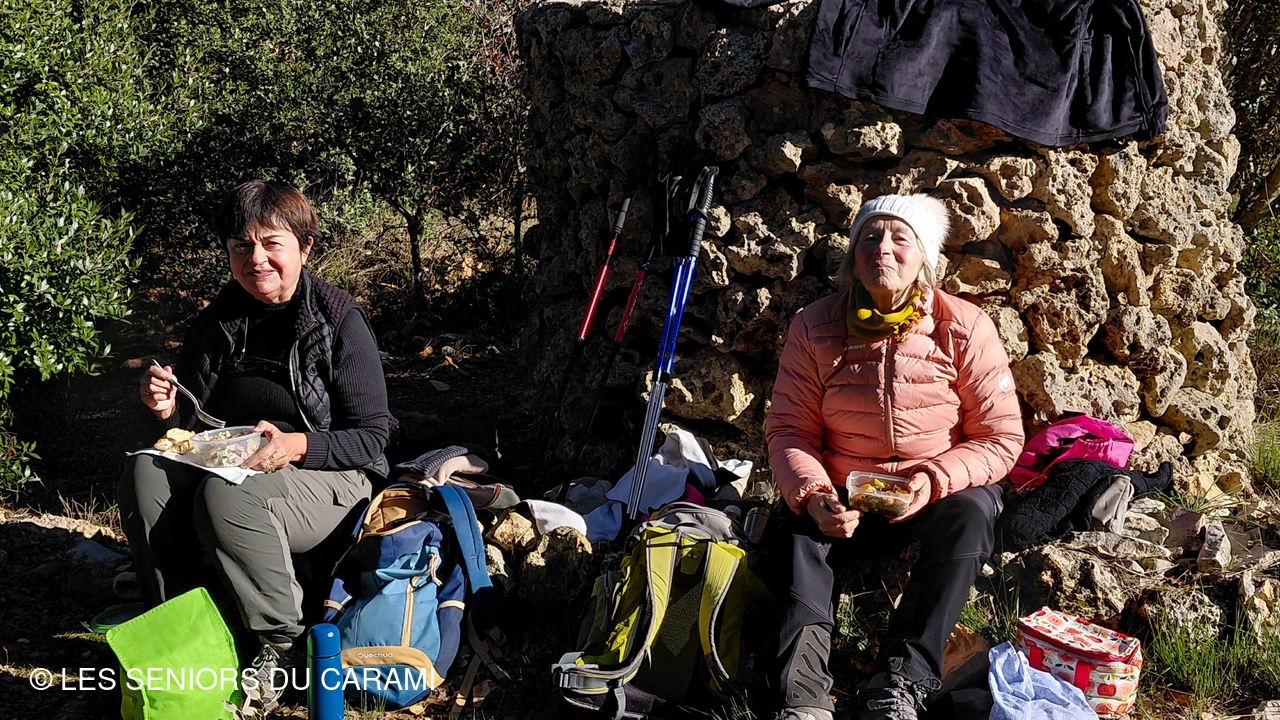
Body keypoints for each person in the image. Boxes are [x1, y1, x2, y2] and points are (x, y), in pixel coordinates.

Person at [118, 180, 391, 712]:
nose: (256, 259)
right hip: (234, 462)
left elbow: (371, 437)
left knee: (228, 497)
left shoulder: (338, 319)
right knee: (146, 473)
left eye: (272, 244)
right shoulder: (219, 320)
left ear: (305, 247)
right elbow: (190, 419)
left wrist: (297, 445)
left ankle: (280, 646)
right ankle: (181, 625)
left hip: (331, 473)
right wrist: (163, 408)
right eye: (241, 246)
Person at [765, 194, 1025, 720]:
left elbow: (1000, 437)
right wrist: (814, 495)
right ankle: (803, 695)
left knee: (973, 513)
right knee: (794, 533)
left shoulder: (963, 327)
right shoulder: (814, 327)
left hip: (933, 492)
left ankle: (900, 682)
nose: (882, 248)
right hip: (843, 493)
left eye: (899, 238)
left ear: (924, 256)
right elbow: (790, 430)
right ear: (853, 256)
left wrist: (933, 480)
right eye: (869, 238)